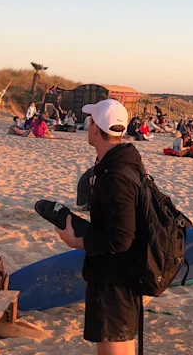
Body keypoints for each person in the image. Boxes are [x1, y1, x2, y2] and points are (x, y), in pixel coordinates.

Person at [54, 99, 143, 354]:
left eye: (90, 120)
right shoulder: (123, 164)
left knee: (114, 347)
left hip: (114, 278)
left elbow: (120, 238)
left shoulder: (115, 176)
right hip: (120, 275)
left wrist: (76, 241)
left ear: (95, 127)